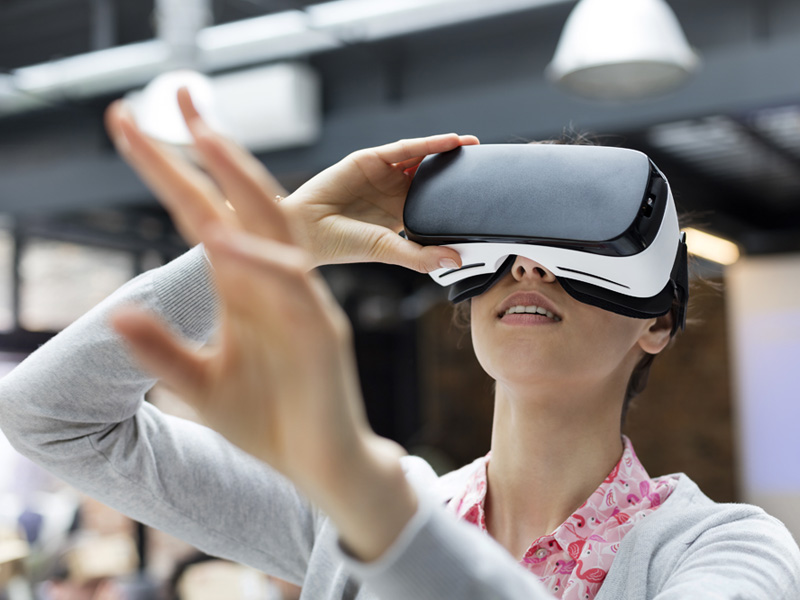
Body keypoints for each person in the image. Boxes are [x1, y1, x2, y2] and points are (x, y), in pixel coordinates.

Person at [0, 89, 798, 600]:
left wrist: (373, 505)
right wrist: (270, 241)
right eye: (509, 245)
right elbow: (51, 416)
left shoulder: (723, 552)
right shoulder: (339, 518)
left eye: (570, 246)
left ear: (656, 322)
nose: (527, 265)